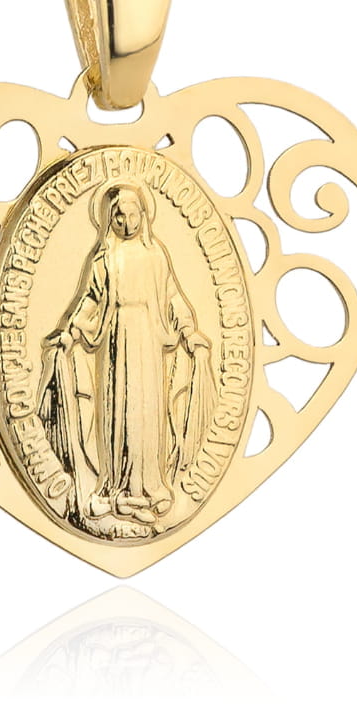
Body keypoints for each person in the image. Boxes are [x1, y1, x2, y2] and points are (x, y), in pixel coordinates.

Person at [43, 181, 214, 529]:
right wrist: (72, 332)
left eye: (132, 214)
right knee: (118, 414)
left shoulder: (155, 256)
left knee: (145, 413)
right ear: (109, 219)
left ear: (143, 215)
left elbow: (172, 297)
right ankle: (115, 487)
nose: (126, 222)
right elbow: (90, 298)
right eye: (118, 216)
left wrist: (188, 330)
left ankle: (148, 490)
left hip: (148, 340)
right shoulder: (105, 257)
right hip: (115, 340)